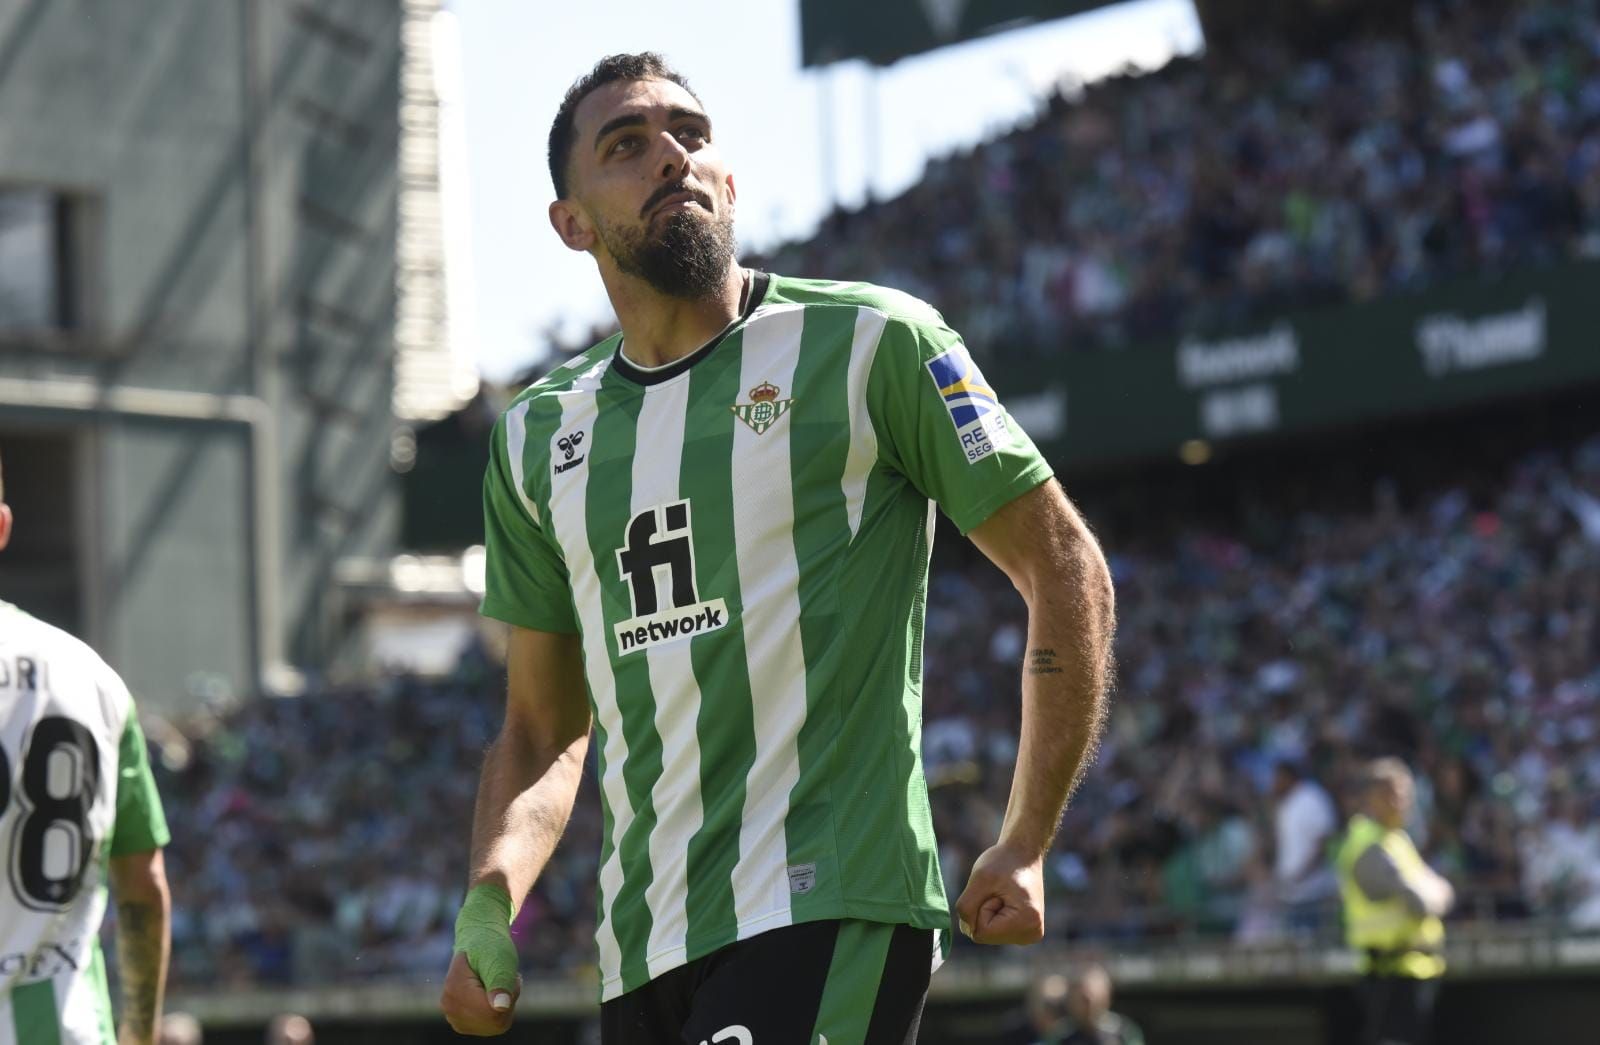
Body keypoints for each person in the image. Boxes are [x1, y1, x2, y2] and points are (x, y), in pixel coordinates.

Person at [439, 52, 1116, 1044]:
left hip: (829, 899)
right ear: (571, 223)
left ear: (727, 176)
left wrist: (1024, 836)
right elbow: (542, 726)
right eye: (627, 145)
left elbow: (1064, 567)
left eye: (690, 134)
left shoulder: (872, 343)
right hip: (644, 944)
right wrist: (488, 901)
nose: (670, 155)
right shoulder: (538, 437)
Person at [0, 448, 172, 1044]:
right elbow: (143, 886)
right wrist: (141, 1035)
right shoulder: (91, 677)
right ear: (1, 528)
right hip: (63, 1029)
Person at [1336, 758, 1453, 1045]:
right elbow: (1421, 902)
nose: (1401, 802)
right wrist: (1432, 890)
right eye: (1391, 794)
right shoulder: (1366, 842)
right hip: (1388, 972)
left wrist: (1434, 890)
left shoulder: (1396, 840)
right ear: (1369, 799)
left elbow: (1446, 891)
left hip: (1413, 967)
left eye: (1405, 794)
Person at [1271, 759, 1338, 930]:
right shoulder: (1286, 803)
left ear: (1288, 776)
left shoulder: (1312, 798)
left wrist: (1302, 874)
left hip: (1314, 892)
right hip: (1292, 893)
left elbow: (1323, 841)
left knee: (1316, 946)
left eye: (1277, 777)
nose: (1273, 782)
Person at [1027, 965, 1143, 1045]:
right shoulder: (1060, 1035)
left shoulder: (1123, 1031)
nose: (1088, 1007)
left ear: (1106, 997)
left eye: (1091, 999)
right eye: (1083, 999)